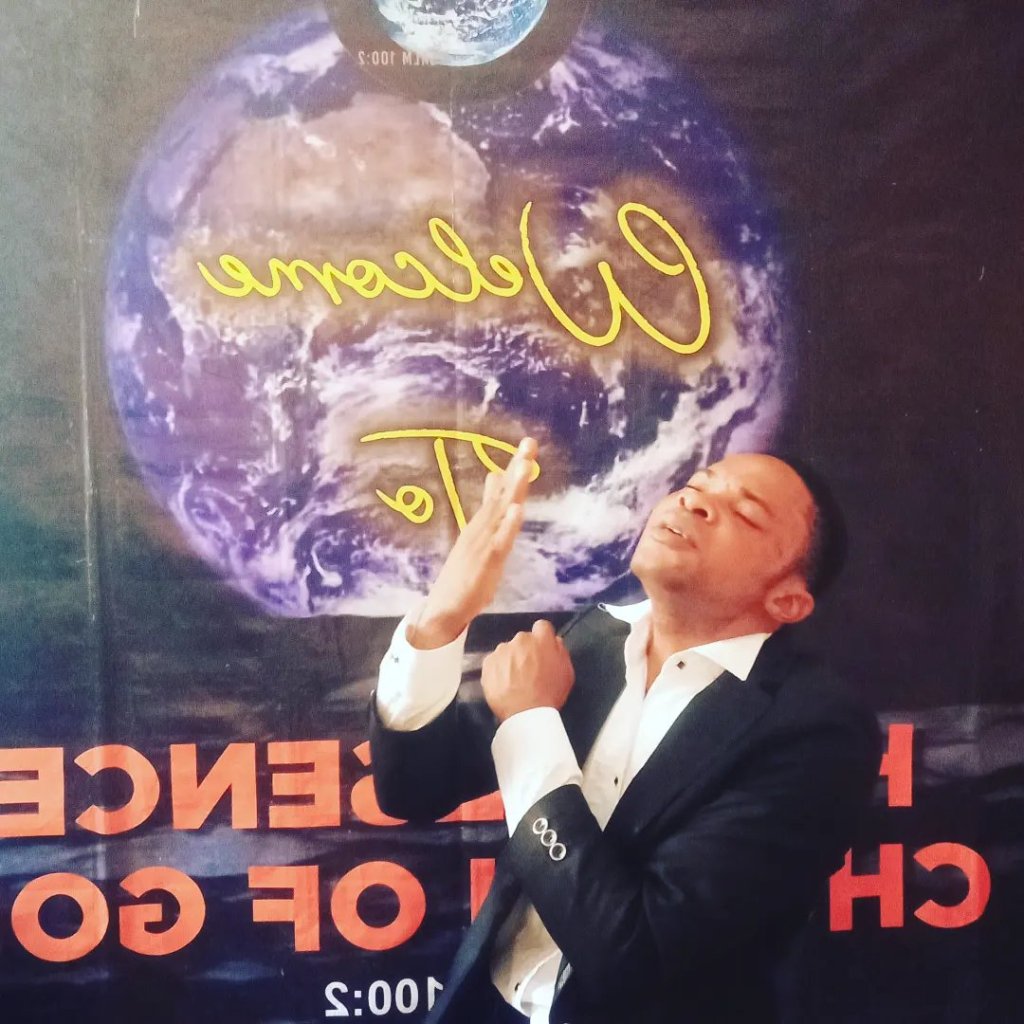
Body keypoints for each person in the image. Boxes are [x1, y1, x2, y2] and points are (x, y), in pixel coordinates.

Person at [369, 438, 881, 1024]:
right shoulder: (597, 638)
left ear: (787, 601)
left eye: (744, 513)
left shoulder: (817, 731)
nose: (695, 501)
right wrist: (440, 621)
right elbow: (411, 789)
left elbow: (634, 953)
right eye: (697, 484)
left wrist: (530, 722)